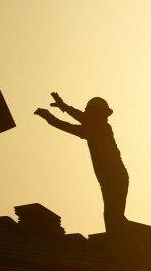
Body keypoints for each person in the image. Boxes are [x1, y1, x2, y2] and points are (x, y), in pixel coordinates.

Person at [35, 93, 129, 234]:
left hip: (117, 179)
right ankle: (126, 245)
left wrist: (64, 107)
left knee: (113, 217)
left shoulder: (104, 128)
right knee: (112, 216)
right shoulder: (90, 131)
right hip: (109, 181)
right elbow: (66, 126)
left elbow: (83, 119)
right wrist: (49, 117)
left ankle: (133, 246)